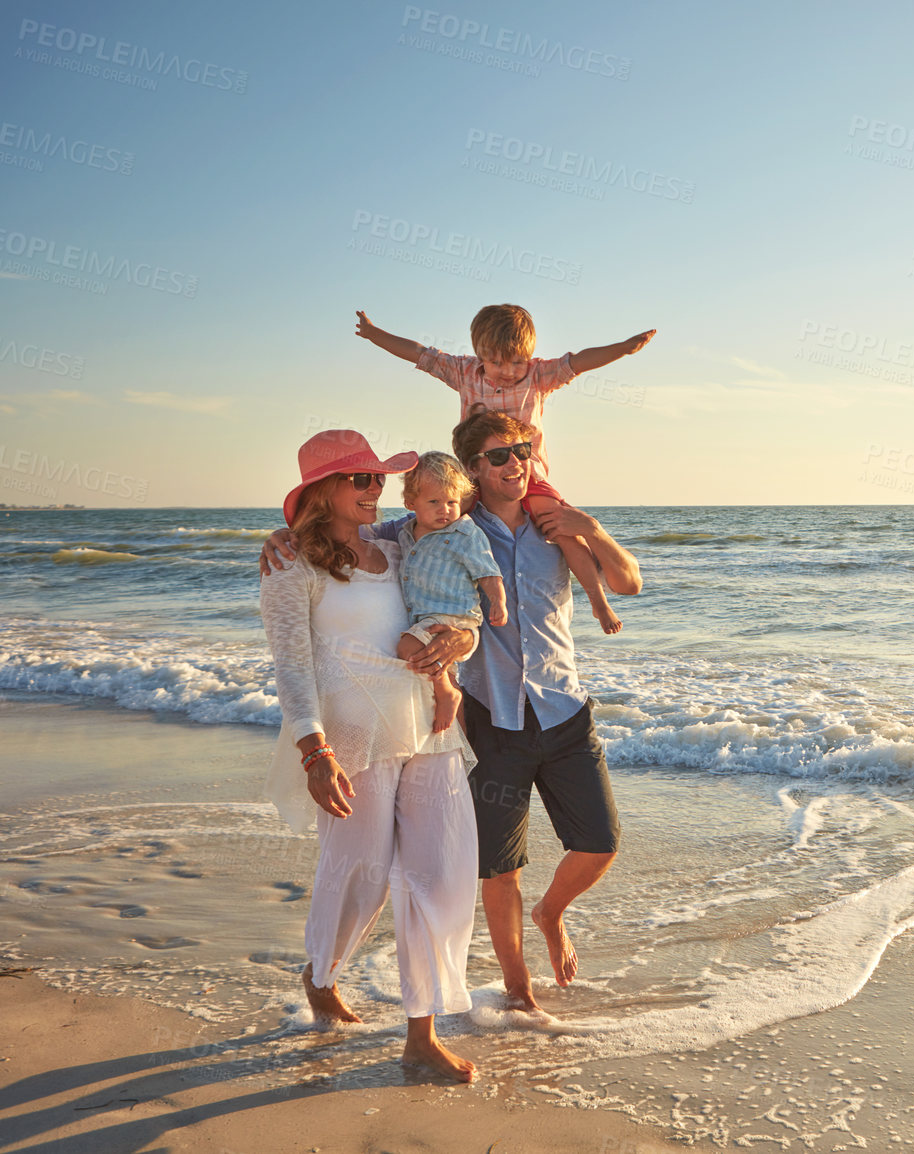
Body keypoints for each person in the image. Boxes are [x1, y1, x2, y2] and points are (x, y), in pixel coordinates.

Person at [263, 413, 642, 1015]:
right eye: (498, 456)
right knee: (452, 869)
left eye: (521, 450)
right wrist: (281, 535)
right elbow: (341, 552)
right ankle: (503, 991)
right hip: (456, 724)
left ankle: (514, 948)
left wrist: (590, 528)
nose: (514, 462)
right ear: (472, 472)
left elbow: (627, 584)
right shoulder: (419, 529)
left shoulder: (538, 526)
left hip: (511, 719)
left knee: (554, 854)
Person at [259, 429, 481, 1081]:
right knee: (362, 873)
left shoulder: (395, 542)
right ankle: (321, 973)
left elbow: (450, 597)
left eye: (376, 480)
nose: (373, 489)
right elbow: (292, 668)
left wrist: (458, 647)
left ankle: (421, 1034)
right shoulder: (291, 565)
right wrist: (312, 750)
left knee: (438, 872)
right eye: (359, 479)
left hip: (428, 722)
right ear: (322, 490)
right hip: (353, 736)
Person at [353, 303, 654, 637]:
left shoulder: (539, 376)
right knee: (437, 522)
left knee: (562, 529)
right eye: (496, 361)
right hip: (471, 479)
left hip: (533, 478)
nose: (508, 371)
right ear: (480, 354)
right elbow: (419, 354)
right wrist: (373, 334)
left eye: (516, 361)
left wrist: (624, 349)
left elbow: (580, 361)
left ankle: (598, 602)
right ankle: (430, 612)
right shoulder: (464, 372)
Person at [395, 451, 508, 734]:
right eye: (434, 502)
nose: (444, 509)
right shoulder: (404, 533)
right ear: (411, 502)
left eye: (452, 502)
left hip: (454, 617)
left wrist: (498, 601)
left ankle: (447, 694)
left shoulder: (465, 533)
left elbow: (488, 571)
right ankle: (459, 752)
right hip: (426, 619)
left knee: (407, 648)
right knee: (445, 674)